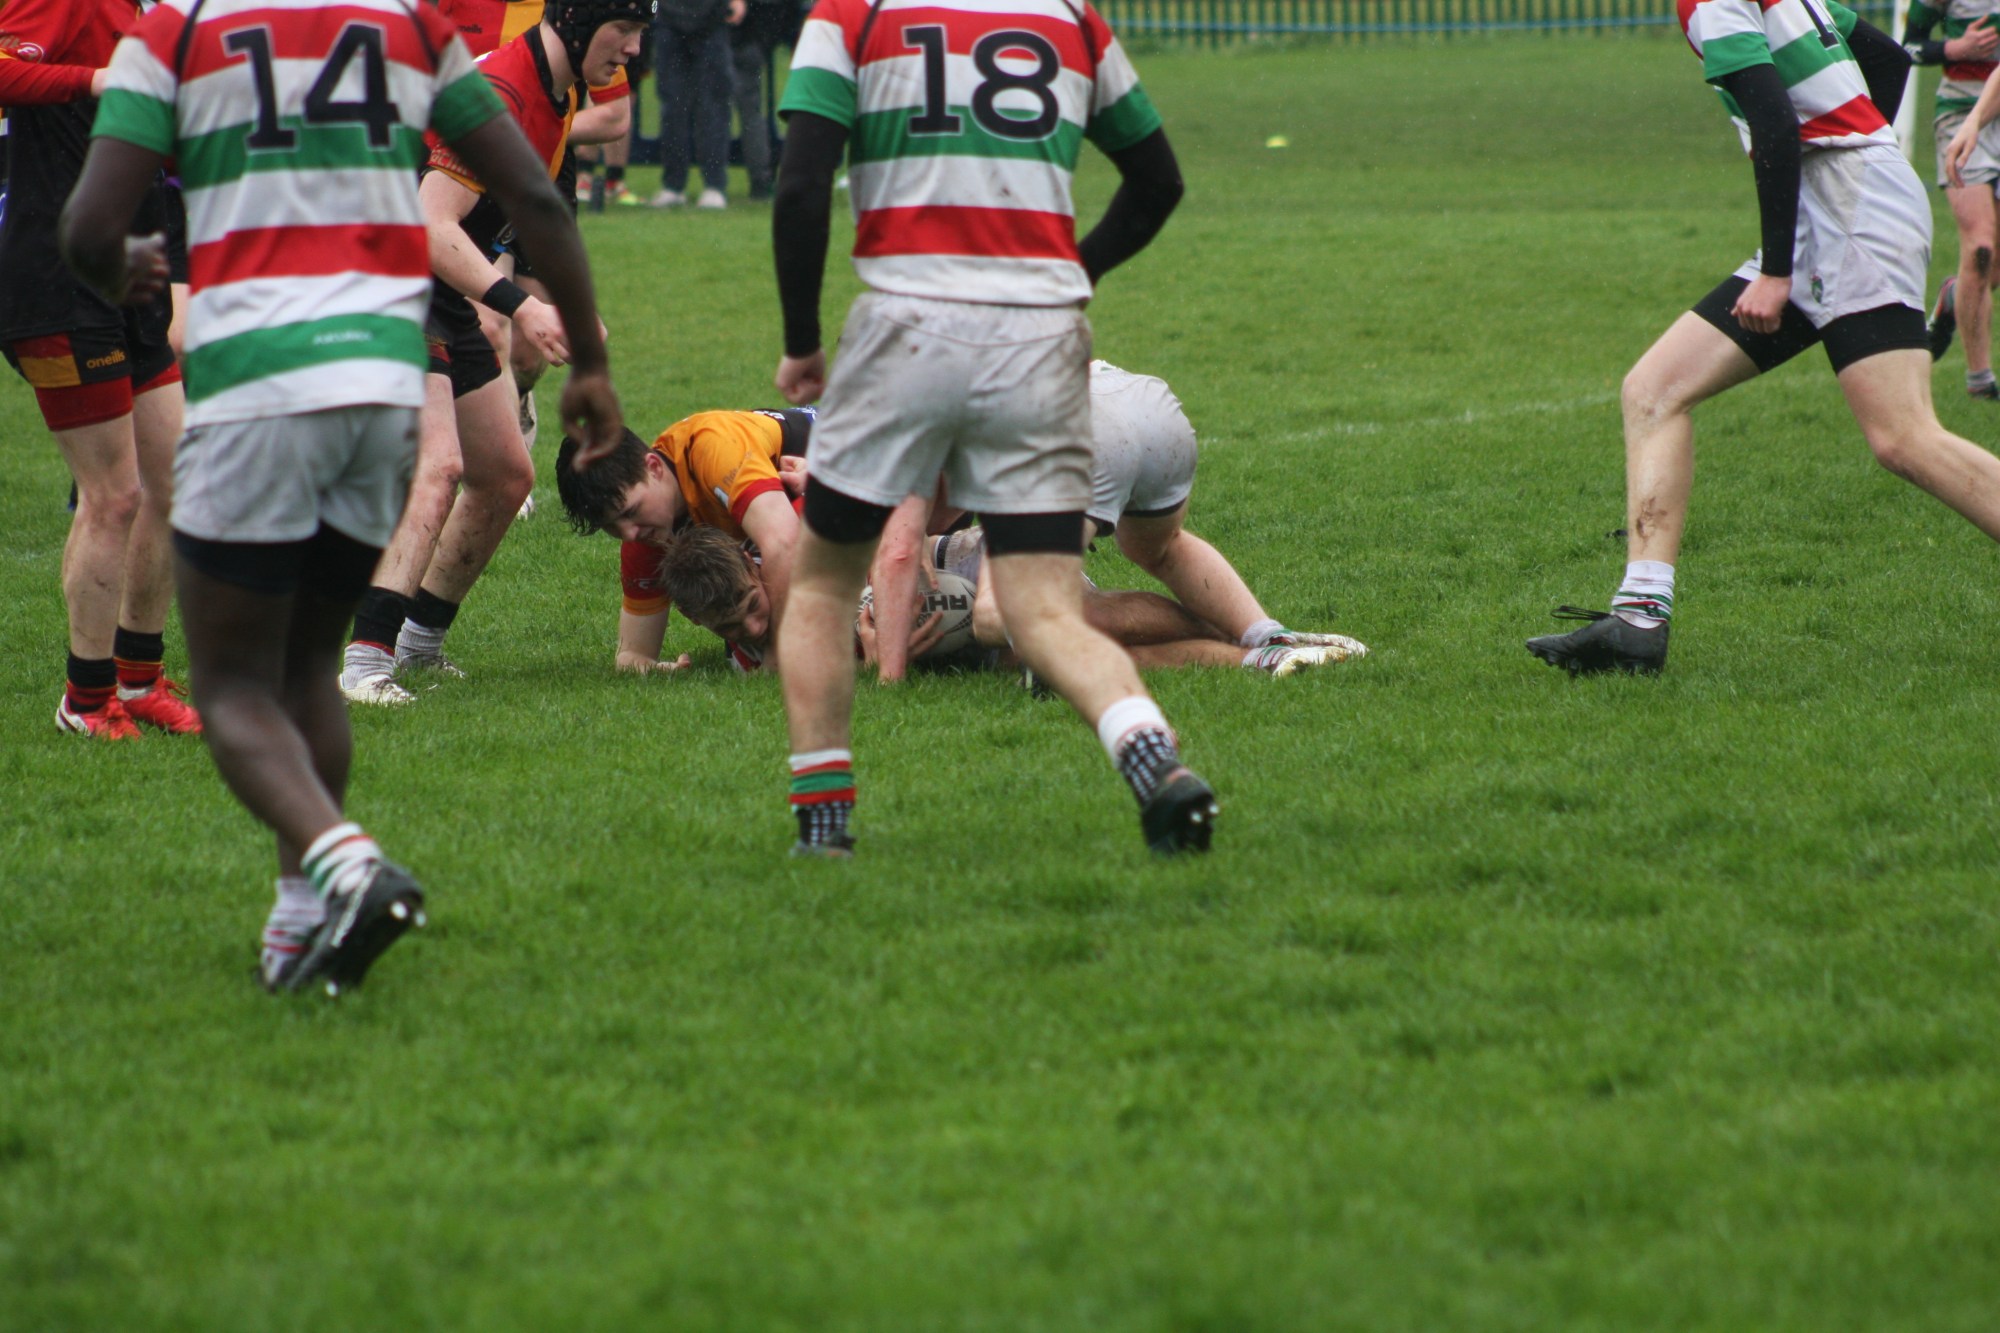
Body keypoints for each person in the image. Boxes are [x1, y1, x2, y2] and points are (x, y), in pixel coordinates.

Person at [62, 0, 621, 995]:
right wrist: (590, 362)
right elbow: (535, 196)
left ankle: (347, 862)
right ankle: (296, 919)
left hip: (258, 379)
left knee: (233, 685)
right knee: (308, 671)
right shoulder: (409, 24)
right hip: (378, 380)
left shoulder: (175, 29)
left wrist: (135, 268)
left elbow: (91, 226)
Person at [771, 0, 1209, 857]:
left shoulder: (852, 13)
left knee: (822, 586)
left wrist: (801, 341)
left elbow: (799, 186)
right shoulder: (1071, 17)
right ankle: (1152, 757)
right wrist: (1070, 273)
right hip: (1039, 340)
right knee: (1043, 609)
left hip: (906, 327)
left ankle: (824, 828)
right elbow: (1158, 182)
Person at [1527, 0, 2000, 676]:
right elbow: (1889, 60)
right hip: (1842, 202)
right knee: (1654, 391)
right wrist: (1864, 161)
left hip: (1848, 208)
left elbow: (1776, 121)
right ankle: (1638, 621)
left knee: (1904, 437)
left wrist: (1783, 267)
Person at [339, 0, 647, 705]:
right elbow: (429, 223)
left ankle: (418, 645)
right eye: (625, 31)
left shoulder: (559, 89)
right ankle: (364, 663)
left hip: (432, 285)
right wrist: (523, 307)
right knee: (439, 464)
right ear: (578, 21)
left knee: (505, 475)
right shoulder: (502, 92)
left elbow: (532, 206)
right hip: (387, 271)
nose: (633, 50)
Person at [0, 0, 201, 740]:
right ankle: (84, 701)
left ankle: (138, 679)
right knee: (114, 496)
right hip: (58, 279)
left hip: (131, 272)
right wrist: (94, 79)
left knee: (175, 480)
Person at [655, 524, 1357, 679]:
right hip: (959, 647)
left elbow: (892, 539)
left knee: (1070, 618)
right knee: (1059, 662)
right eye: (734, 625)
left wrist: (892, 615)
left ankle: (1258, 635)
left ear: (754, 563)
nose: (756, 623)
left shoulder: (799, 549)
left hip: (960, 559)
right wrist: (873, 659)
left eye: (753, 602)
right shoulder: (751, 660)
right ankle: (1257, 663)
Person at [553, 407, 811, 671]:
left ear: (653, 467)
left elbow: (784, 545)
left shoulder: (716, 451)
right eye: (611, 526)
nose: (629, 534)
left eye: (631, 511)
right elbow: (631, 656)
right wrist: (661, 671)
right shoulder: (647, 535)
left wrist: (776, 655)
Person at [1901, 0, 2000, 396]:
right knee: (1980, 248)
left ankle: (1954, 295)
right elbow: (1909, 46)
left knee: (1991, 269)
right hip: (1960, 115)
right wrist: (1955, 49)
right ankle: (1980, 380)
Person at [649, 0, 739, 207]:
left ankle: (713, 185)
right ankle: (675, 185)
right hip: (672, 19)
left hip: (710, 19)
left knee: (711, 105)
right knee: (674, 107)